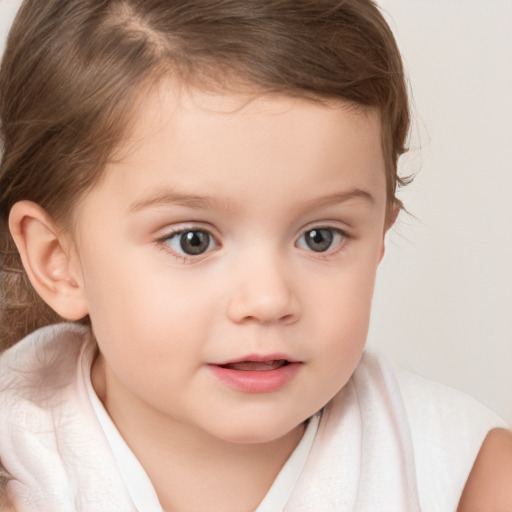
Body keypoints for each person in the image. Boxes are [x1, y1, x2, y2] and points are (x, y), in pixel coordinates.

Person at [0, 0, 511, 510]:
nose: (267, 300)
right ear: (57, 260)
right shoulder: (16, 470)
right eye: (192, 240)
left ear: (379, 236)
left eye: (320, 237)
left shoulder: (465, 476)